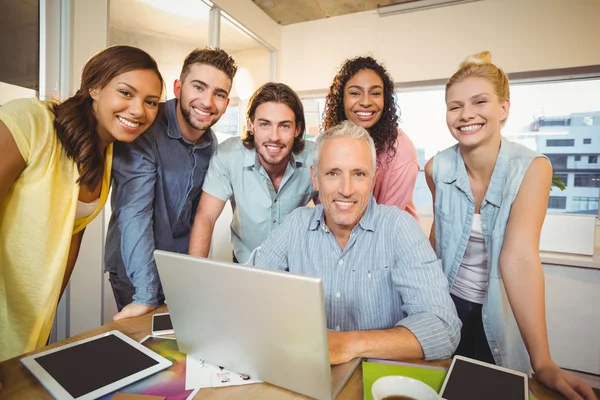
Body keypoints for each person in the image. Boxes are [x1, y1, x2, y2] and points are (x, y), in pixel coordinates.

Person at [425, 51, 596, 400]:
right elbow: (437, 243)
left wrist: (544, 361)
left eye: (480, 101)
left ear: (503, 108)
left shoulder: (533, 168)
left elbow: (518, 257)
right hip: (445, 307)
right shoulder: (435, 169)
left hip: (498, 312)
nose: (466, 114)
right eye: (454, 106)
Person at [0, 45, 164, 361]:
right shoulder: (31, 120)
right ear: (95, 87)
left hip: (29, 318)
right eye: (126, 93)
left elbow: (69, 243)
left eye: (151, 102)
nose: (138, 110)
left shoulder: (107, 157)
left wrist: (47, 309)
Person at [249, 120, 461, 364]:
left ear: (373, 180)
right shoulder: (295, 225)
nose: (346, 189)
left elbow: (443, 328)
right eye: (332, 173)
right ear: (315, 178)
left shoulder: (399, 229)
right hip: (306, 371)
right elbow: (247, 291)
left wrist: (349, 344)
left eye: (358, 174)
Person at [104, 47, 238, 320]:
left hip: (177, 268)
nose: (207, 102)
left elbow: (198, 217)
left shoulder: (210, 142)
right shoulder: (146, 129)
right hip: (135, 270)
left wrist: (191, 276)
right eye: (198, 87)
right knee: (144, 351)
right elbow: (134, 214)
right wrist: (145, 293)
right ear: (179, 87)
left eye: (219, 94)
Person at [189, 82, 317, 264]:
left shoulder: (314, 157)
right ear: (250, 125)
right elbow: (205, 217)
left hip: (296, 265)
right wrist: (195, 274)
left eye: (285, 126)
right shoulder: (228, 156)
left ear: (297, 130)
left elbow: (330, 217)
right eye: (265, 124)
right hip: (245, 263)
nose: (274, 136)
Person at [323, 56, 419, 219]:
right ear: (341, 98)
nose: (366, 102)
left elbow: (384, 220)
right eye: (355, 93)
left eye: (375, 93)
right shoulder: (332, 143)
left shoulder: (401, 148)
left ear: (385, 99)